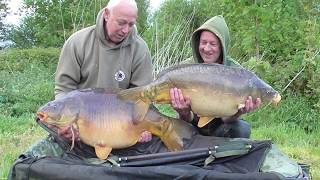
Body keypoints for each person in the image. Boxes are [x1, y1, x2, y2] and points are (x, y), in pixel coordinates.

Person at [25, 0, 154, 159]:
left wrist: (143, 127)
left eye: (131, 24)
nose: (126, 30)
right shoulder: (77, 42)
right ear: (107, 14)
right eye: (121, 23)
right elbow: (64, 88)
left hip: (120, 126)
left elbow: (142, 97)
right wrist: (66, 123)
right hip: (82, 120)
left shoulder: (139, 49)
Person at [170, 15, 261, 138]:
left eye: (213, 44)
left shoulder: (236, 73)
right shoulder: (185, 68)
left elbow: (227, 119)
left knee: (242, 129)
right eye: (203, 42)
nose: (206, 49)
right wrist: (183, 112)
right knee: (173, 133)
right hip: (191, 121)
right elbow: (184, 118)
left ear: (222, 47)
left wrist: (238, 112)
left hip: (221, 123)